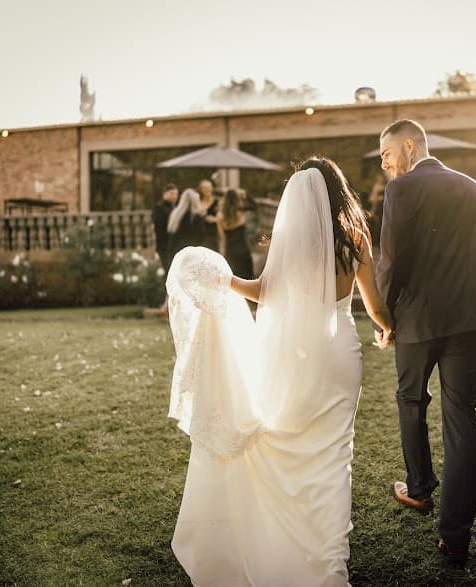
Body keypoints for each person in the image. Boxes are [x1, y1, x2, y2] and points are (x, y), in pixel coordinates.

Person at [167, 157, 394, 585]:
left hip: (296, 358)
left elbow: (264, 293)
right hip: (340, 355)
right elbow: (375, 304)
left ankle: (288, 538)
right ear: (337, 190)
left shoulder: (292, 239)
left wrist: (223, 279)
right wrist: (387, 327)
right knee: (335, 454)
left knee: (287, 437)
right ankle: (330, 563)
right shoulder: (356, 237)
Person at [375, 119, 476, 566]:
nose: (384, 165)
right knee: (461, 418)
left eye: (386, 155)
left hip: (416, 319)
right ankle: (455, 538)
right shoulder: (475, 188)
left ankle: (418, 490)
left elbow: (390, 262)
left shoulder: (401, 191)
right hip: (470, 320)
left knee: (411, 399)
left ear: (409, 147)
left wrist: (384, 318)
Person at [146, 183, 178, 316]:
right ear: (165, 194)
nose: (174, 196)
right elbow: (158, 228)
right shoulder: (160, 209)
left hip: (173, 247)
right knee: (170, 275)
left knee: (172, 275)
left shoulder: (174, 208)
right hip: (165, 246)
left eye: (176, 194)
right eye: (172, 194)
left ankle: (168, 306)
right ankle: (167, 307)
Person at [218, 188, 253, 279]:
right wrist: (244, 193)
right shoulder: (241, 213)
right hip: (243, 251)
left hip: (230, 251)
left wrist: (223, 252)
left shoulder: (220, 216)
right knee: (247, 279)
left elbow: (223, 238)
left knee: (233, 281)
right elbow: (253, 206)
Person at [166, 188, 206, 262]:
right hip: (192, 255)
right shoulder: (196, 217)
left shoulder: (176, 215)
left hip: (177, 253)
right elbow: (200, 238)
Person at [197, 178, 221, 251]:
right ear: (201, 190)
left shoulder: (218, 202)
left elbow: (224, 218)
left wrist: (215, 219)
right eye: (204, 188)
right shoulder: (197, 202)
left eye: (209, 187)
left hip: (213, 235)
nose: (207, 190)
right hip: (199, 235)